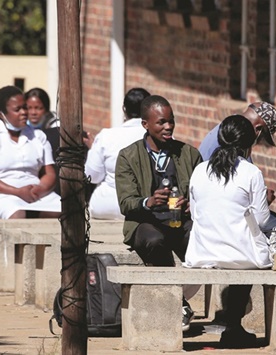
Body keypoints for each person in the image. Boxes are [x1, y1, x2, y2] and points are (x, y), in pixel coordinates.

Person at [115, 95, 203, 331]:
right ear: (145, 124)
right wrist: (149, 201)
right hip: (146, 223)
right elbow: (125, 202)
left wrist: (191, 205)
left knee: (203, 242)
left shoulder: (189, 154)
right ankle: (177, 303)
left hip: (181, 220)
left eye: (171, 121)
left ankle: (224, 309)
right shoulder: (128, 157)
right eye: (161, 122)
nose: (168, 127)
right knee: (155, 240)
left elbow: (203, 193)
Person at [184, 114, 270, 348]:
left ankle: (233, 326)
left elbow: (194, 214)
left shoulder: (200, 170)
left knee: (239, 250)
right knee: (248, 255)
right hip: (240, 255)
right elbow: (262, 220)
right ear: (249, 144)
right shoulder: (251, 173)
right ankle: (233, 326)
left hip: (202, 251)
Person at [0, 85, 61, 219]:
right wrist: (17, 192)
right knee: (16, 212)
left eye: (25, 107)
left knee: (66, 211)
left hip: (36, 195)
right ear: (2, 114)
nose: (24, 112)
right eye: (17, 109)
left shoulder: (38, 136)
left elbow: (50, 173)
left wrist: (40, 189)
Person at [198, 101, 276, 231]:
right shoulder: (237, 146)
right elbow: (260, 220)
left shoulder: (224, 130)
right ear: (258, 130)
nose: (259, 142)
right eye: (262, 137)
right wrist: (263, 200)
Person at [84, 88, 150, 219]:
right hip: (145, 205)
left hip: (106, 205)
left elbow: (92, 176)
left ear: (124, 109)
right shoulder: (160, 137)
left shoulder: (106, 136)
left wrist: (93, 150)